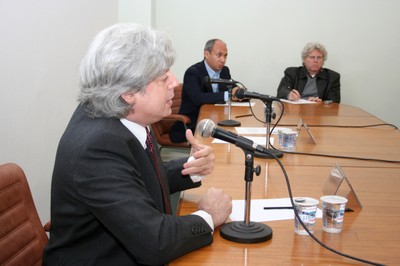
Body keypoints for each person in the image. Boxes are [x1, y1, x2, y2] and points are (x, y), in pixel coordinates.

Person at [42, 23, 232, 266]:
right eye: (164, 78)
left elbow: (135, 178)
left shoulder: (125, 115)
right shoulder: (97, 146)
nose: (174, 82)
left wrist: (189, 168)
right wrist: (208, 216)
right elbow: (155, 241)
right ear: (129, 91)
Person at [169, 39, 239, 143]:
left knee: (234, 136)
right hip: (193, 124)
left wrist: (239, 92)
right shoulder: (193, 72)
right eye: (219, 55)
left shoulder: (225, 71)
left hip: (218, 121)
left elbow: (232, 87)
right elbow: (198, 98)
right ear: (206, 54)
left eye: (225, 56)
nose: (223, 60)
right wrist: (228, 95)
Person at [276, 42, 341, 103]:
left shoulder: (332, 77)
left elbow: (334, 101)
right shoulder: (292, 72)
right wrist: (289, 95)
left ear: (323, 61)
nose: (315, 61)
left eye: (319, 57)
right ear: (304, 59)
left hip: (319, 112)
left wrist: (321, 103)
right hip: (295, 111)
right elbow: (281, 91)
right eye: (312, 57)